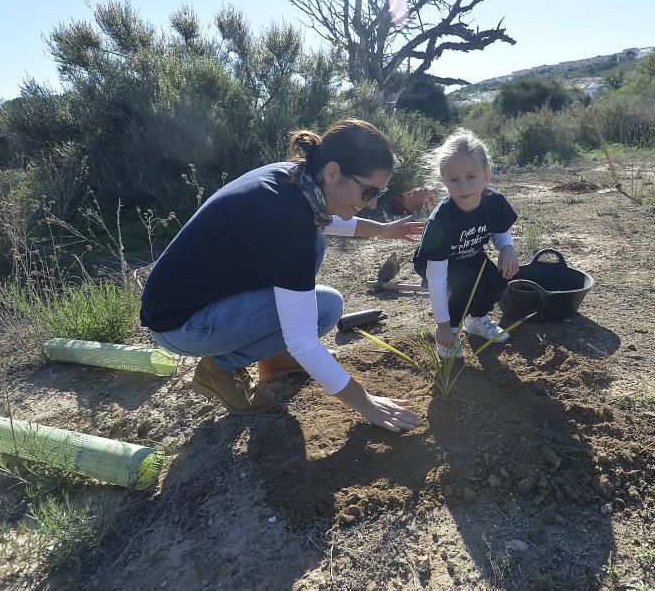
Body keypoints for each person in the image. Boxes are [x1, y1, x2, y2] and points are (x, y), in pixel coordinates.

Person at [139, 118, 422, 432]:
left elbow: (326, 219)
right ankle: (218, 368)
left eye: (379, 194)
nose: (372, 204)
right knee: (325, 307)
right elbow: (303, 342)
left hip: (195, 300)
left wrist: (383, 230)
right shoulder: (287, 224)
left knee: (315, 249)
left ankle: (272, 359)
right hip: (181, 325)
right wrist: (367, 404)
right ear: (333, 172)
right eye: (368, 192)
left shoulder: (294, 179)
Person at [413, 128, 519, 359]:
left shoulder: (495, 202)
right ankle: (449, 332)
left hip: (470, 255)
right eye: (454, 179)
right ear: (444, 180)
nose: (464, 187)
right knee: (467, 283)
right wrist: (442, 325)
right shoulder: (441, 219)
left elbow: (500, 231)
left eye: (471, 176)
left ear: (486, 173)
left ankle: (476, 320)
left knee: (498, 277)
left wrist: (507, 248)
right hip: (436, 263)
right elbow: (437, 276)